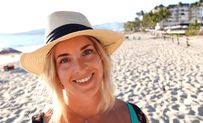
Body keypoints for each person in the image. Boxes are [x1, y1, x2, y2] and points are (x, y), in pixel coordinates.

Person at [20, 11, 149, 123]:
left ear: (101, 58)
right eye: (64, 60)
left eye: (87, 52)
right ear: (55, 73)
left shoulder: (136, 116)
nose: (80, 68)